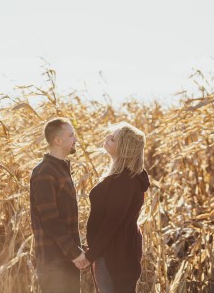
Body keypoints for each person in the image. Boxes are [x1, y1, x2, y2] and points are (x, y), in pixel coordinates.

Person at [77, 122, 150, 293]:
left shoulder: (124, 180)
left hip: (115, 254)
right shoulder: (121, 177)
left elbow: (112, 222)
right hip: (113, 251)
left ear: (125, 147)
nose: (107, 139)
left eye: (113, 139)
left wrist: (90, 255)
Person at [29, 117, 87, 293]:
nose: (75, 139)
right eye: (71, 135)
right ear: (57, 140)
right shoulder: (45, 172)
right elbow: (50, 220)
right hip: (54, 262)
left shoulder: (60, 170)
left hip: (65, 260)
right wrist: (75, 253)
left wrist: (76, 252)